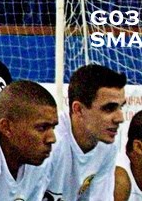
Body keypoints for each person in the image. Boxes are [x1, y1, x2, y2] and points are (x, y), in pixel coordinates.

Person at [45, 64, 127, 201]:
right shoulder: (50, 143)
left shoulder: (107, 146)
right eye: (109, 108)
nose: (120, 118)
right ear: (78, 110)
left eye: (121, 107)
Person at [0, 80, 58, 200]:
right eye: (42, 128)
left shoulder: (38, 162)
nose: (52, 139)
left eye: (53, 127)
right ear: (7, 127)